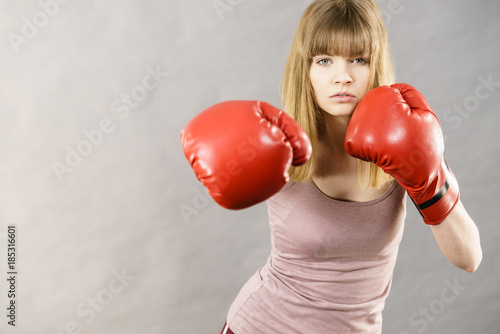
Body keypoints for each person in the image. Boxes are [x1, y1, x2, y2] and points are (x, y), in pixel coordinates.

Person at [181, 0, 483, 332]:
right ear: (306, 70)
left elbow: (469, 258)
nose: (343, 77)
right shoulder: (281, 144)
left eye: (358, 59)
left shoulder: (404, 136)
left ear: (374, 65)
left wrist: (427, 180)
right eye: (324, 61)